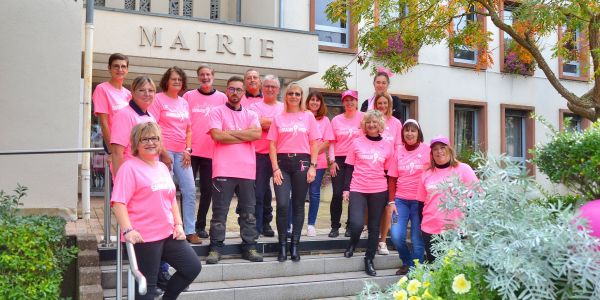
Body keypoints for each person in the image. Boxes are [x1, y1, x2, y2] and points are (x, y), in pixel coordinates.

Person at [111, 122, 201, 300]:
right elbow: (118, 202)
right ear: (136, 143)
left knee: (192, 267)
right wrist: (128, 230)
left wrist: (179, 225)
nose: (151, 142)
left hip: (168, 234)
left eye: (155, 138)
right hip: (144, 237)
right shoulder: (129, 168)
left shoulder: (161, 167)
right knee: (147, 288)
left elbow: (171, 199)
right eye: (145, 139)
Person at [206, 76, 263, 264]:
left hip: (246, 170)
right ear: (226, 91)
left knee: (248, 213)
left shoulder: (251, 114)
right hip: (223, 170)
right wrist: (244, 135)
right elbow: (217, 136)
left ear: (243, 93)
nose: (235, 93)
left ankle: (250, 247)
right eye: (231, 89)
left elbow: (256, 133)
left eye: (239, 89)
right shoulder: (217, 112)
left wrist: (229, 133)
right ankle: (215, 248)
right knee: (219, 212)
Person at [268, 83, 320, 262]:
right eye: (290, 93)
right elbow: (272, 145)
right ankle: (282, 245)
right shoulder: (278, 117)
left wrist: (313, 165)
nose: (294, 96)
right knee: (282, 204)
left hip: (302, 164)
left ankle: (295, 246)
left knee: (298, 206)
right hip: (282, 164)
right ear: (285, 95)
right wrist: (274, 168)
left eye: (297, 94)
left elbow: (314, 143)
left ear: (301, 96)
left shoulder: (308, 117)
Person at [149, 67, 201, 244]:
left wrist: (188, 150)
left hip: (182, 153)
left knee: (190, 190)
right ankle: (168, 229)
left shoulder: (184, 102)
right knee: (167, 191)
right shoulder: (158, 99)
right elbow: (152, 127)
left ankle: (190, 230)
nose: (177, 82)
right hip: (164, 152)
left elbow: (189, 130)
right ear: (166, 81)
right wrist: (162, 152)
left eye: (179, 79)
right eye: (173, 79)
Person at [342, 110, 394, 277]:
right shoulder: (356, 142)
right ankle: (353, 243)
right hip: (358, 188)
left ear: (381, 125)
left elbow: (389, 172)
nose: (371, 125)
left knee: (374, 228)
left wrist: (389, 197)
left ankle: (369, 259)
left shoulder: (387, 145)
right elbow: (349, 167)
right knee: (356, 224)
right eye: (369, 122)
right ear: (364, 125)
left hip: (379, 190)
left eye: (375, 122)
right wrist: (346, 189)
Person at [417, 136, 478, 263]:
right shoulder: (426, 174)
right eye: (435, 149)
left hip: (455, 230)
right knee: (435, 270)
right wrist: (421, 226)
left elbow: (477, 196)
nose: (439, 151)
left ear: (450, 150)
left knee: (455, 270)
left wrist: (467, 220)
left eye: (443, 148)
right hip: (430, 229)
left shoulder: (463, 169)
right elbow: (420, 203)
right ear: (432, 154)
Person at [183, 64, 227, 240]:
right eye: (202, 75)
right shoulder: (188, 96)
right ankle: (187, 226)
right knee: (188, 190)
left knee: (208, 191)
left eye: (208, 74)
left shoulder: (222, 98)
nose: (205, 77)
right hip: (191, 151)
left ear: (213, 76)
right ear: (198, 77)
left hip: (212, 152)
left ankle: (200, 225)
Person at [387, 119, 429, 275]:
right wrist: (391, 201)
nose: (409, 133)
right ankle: (407, 261)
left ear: (419, 133)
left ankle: (414, 270)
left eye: (413, 130)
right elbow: (392, 178)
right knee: (397, 236)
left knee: (418, 241)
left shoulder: (428, 150)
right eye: (406, 130)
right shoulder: (398, 152)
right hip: (401, 201)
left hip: (420, 202)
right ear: (402, 133)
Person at [111, 76, 171, 175]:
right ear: (133, 93)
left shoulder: (150, 116)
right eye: (142, 90)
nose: (147, 94)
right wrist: (120, 181)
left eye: (151, 90)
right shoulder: (124, 115)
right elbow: (117, 153)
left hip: (148, 174)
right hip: (131, 175)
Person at [248, 74, 284, 237]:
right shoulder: (255, 107)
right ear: (262, 88)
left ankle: (268, 223)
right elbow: (256, 124)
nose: (270, 89)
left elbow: (284, 125)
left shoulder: (283, 107)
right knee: (259, 192)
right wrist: (276, 123)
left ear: (278, 90)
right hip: (260, 154)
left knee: (280, 194)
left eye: (273, 87)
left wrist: (268, 123)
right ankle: (258, 225)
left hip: (280, 154)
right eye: (267, 86)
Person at [329, 90, 364, 238]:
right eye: (346, 100)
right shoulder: (336, 120)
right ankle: (334, 226)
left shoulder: (363, 117)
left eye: (352, 100)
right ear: (343, 102)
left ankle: (350, 225)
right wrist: (332, 161)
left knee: (353, 194)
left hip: (357, 161)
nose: (349, 103)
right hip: (339, 160)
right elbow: (331, 142)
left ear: (357, 101)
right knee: (337, 193)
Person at [373, 92, 403, 255]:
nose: (383, 106)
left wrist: (395, 167)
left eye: (385, 103)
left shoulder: (396, 123)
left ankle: (382, 241)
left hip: (389, 169)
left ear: (390, 105)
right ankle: (371, 230)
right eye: (380, 103)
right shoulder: (372, 121)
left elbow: (398, 146)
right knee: (370, 205)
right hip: (372, 168)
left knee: (387, 205)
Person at [304, 91, 334, 237]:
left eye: (317, 100)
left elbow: (328, 141)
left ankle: (311, 225)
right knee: (298, 193)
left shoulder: (325, 121)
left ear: (321, 103)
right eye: (312, 100)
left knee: (314, 193)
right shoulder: (302, 116)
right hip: (302, 161)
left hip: (319, 162)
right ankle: (291, 223)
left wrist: (313, 153)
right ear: (308, 102)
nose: (315, 102)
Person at [92, 53, 131, 158]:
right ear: (109, 68)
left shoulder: (128, 94)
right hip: (114, 143)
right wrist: (111, 150)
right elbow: (104, 123)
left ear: (127, 70)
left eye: (123, 66)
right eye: (116, 66)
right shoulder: (102, 89)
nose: (120, 69)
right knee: (118, 174)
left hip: (129, 143)